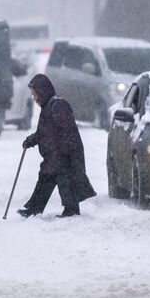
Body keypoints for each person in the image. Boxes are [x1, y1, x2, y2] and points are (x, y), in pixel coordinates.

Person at [17, 74, 96, 218]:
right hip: (54, 154)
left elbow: (66, 131)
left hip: (65, 153)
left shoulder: (58, 105)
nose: (34, 98)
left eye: (35, 94)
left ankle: (71, 211)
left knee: (66, 180)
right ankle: (35, 209)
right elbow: (44, 132)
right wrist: (31, 141)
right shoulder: (47, 106)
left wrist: (64, 153)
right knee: (46, 178)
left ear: (41, 92)